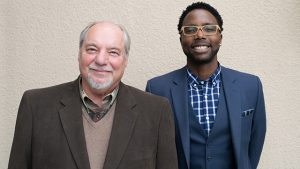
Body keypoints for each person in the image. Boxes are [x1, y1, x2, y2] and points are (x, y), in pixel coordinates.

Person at [8, 21, 178, 169]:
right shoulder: (35, 106)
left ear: (125, 60)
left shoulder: (156, 111)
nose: (101, 60)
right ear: (79, 54)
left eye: (113, 52)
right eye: (92, 49)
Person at [146, 2, 266, 169]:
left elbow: (255, 143)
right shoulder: (157, 89)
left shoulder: (251, 86)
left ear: (220, 37)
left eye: (209, 28)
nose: (200, 35)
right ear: (181, 39)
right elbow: (153, 149)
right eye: (190, 29)